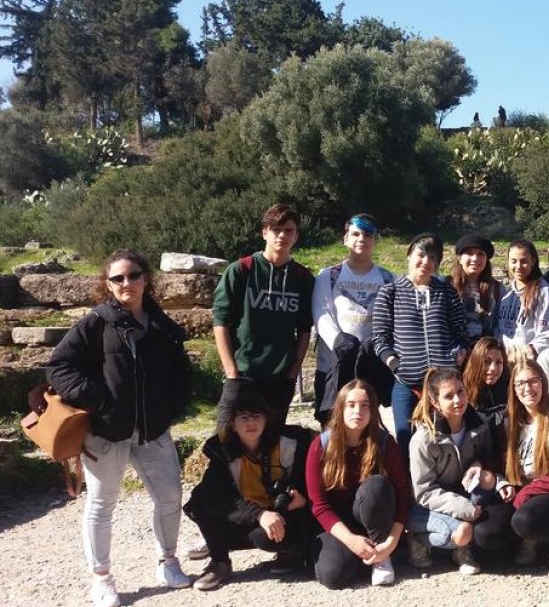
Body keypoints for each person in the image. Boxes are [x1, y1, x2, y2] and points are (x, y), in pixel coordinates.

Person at [46, 250, 193, 607]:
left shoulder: (161, 325)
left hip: (153, 431)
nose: (127, 283)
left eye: (134, 275)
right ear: (108, 283)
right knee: (101, 505)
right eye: (118, 278)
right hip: (107, 432)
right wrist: (99, 399)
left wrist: (172, 407)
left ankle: (168, 561)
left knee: (170, 498)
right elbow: (59, 366)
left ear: (146, 279)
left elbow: (181, 373)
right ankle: (102, 579)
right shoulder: (95, 323)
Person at [185, 390, 314, 590]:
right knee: (200, 501)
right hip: (253, 514)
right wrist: (259, 515)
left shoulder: (290, 443)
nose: (251, 423)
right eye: (243, 417)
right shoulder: (222, 451)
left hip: (287, 514)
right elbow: (213, 496)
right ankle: (220, 561)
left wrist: (303, 497)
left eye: (256, 416)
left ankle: (293, 551)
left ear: (266, 420)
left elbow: (312, 478)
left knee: (263, 538)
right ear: (233, 423)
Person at [482, 358, 549, 579]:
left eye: (533, 381)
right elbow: (495, 462)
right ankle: (530, 540)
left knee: (524, 520)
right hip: (520, 489)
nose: (527, 388)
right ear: (513, 389)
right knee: (485, 533)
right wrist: (502, 483)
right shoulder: (509, 420)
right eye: (520, 383)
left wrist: (528, 491)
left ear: (543, 382)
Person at [212, 203, 315, 431]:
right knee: (225, 441)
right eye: (276, 229)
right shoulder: (241, 270)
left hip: (280, 378)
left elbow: (304, 328)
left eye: (288, 230)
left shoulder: (302, 277)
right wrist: (231, 371)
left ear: (296, 236)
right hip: (243, 374)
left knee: (271, 443)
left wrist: (292, 373)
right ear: (264, 232)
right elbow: (220, 321)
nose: (282, 235)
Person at [306, 381, 411, 589]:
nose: (358, 411)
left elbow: (402, 494)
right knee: (333, 576)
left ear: (373, 410)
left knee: (376, 486)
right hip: (338, 525)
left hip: (374, 521)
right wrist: (351, 540)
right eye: (351, 405)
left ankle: (380, 557)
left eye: (365, 405)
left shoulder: (384, 443)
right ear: (340, 408)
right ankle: (359, 555)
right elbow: (319, 504)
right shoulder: (321, 445)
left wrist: (391, 543)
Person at [371, 233, 468, 450]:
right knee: (406, 440)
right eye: (421, 255)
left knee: (446, 440)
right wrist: (394, 363)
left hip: (444, 384)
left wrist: (459, 352)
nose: (426, 262)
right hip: (407, 383)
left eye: (432, 258)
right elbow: (380, 337)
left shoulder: (447, 291)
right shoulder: (390, 292)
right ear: (409, 255)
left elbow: (460, 330)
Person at [407, 368, 508, 575]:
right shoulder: (423, 440)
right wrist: (461, 506)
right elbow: (424, 492)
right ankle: (421, 539)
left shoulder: (478, 424)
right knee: (463, 532)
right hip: (428, 506)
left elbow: (488, 458)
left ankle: (464, 541)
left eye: (461, 392)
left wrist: (480, 466)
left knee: (487, 479)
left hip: (462, 492)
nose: (457, 400)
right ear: (435, 402)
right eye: (448, 396)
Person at [312, 214, 395, 426]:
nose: (361, 239)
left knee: (365, 424)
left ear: (375, 240)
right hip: (332, 366)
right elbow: (321, 313)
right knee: (331, 426)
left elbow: (392, 319)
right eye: (355, 234)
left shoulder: (388, 279)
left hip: (370, 365)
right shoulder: (328, 275)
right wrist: (339, 342)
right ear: (345, 239)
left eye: (368, 235)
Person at [493, 239, 549, 358]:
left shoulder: (543, 292)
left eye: (523, 261)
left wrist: (524, 354)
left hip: (526, 362)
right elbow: (497, 329)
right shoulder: (506, 293)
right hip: (503, 361)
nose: (518, 266)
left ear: (533, 261)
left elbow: (546, 336)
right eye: (513, 261)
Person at [450, 232, 501, 347]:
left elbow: (499, 325)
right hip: (455, 352)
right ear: (459, 258)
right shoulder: (447, 286)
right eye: (469, 253)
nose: (475, 258)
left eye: (480, 254)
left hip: (485, 352)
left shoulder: (497, 289)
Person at [462, 336, 509, 419]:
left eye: (499, 362)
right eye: (486, 361)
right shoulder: (462, 391)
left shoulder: (509, 387)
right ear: (476, 362)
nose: (493, 368)